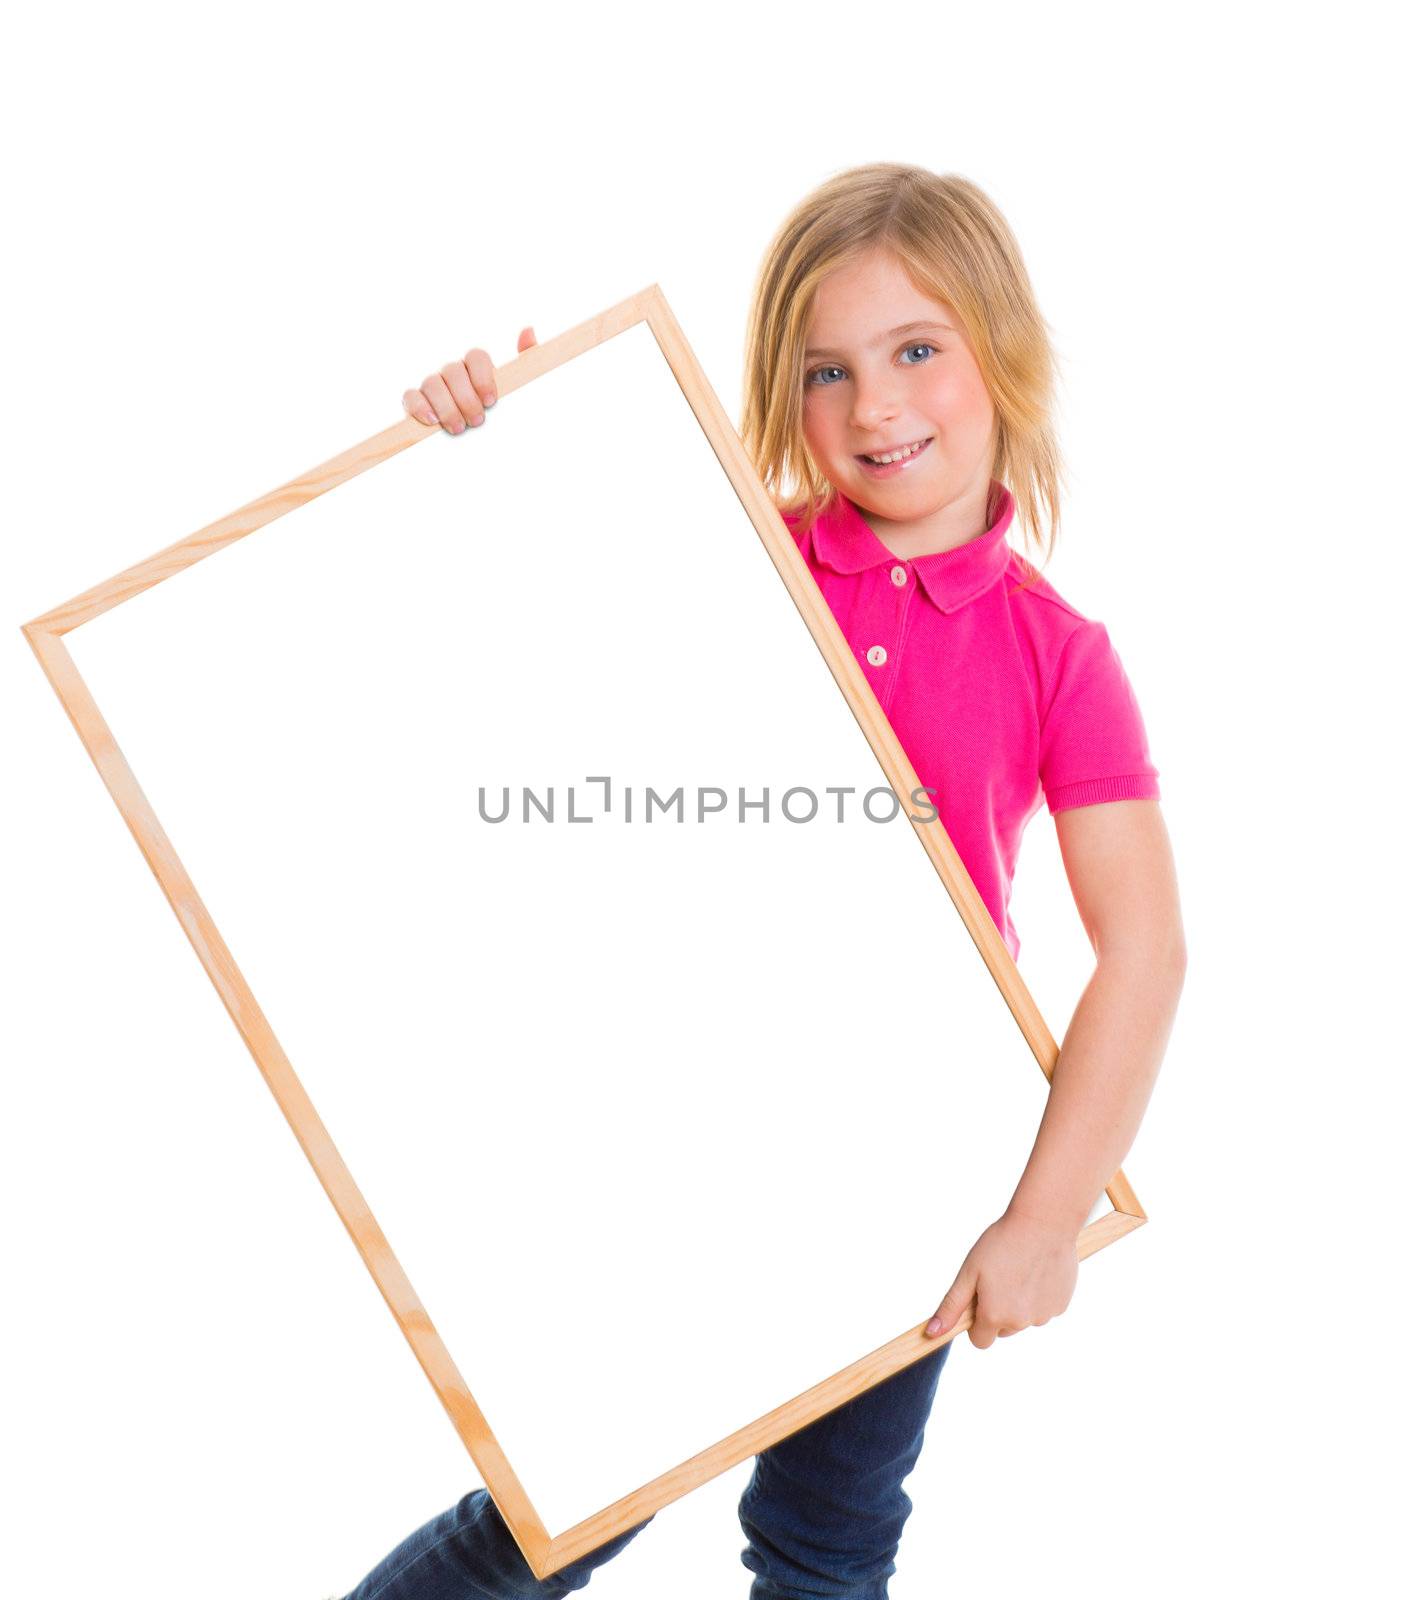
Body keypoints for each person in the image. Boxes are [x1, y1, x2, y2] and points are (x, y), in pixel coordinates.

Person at [338, 162, 1187, 1600]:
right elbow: (547, 585)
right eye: (824, 371)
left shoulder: (1060, 651)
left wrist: (1041, 1219)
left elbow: (1144, 950)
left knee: (828, 1540)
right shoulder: (738, 548)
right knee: (555, 1514)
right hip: (690, 1129)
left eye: (916, 350)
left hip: (904, 1162)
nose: (874, 408)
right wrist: (515, 434)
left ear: (1004, 351)